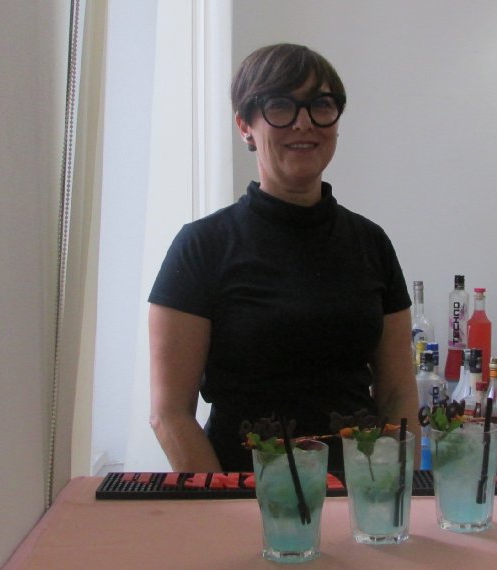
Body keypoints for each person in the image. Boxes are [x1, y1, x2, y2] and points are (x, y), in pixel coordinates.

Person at [148, 43, 418, 472]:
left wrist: (392, 491)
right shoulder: (202, 246)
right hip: (244, 491)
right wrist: (225, 503)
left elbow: (398, 396)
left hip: (361, 494)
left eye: (321, 105)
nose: (303, 122)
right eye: (280, 105)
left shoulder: (371, 243)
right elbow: (169, 415)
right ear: (245, 125)